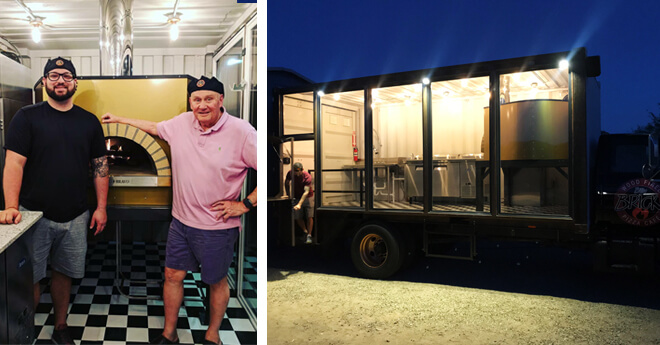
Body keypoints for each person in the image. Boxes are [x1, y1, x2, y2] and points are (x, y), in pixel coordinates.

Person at [101, 76, 256, 345]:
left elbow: (271, 173)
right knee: (172, 276)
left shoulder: (242, 131)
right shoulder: (182, 123)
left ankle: (213, 334)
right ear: (190, 102)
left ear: (221, 100)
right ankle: (169, 333)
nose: (202, 105)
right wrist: (119, 119)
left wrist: (244, 205)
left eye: (209, 98)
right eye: (197, 99)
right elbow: (152, 127)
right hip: (181, 223)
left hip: (216, 226)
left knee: (216, 281)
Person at [0, 57, 108, 345]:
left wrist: (100, 207)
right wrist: (11, 206)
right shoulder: (27, 116)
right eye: (53, 75)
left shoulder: (88, 121)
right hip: (33, 215)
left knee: (64, 273)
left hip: (76, 214)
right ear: (45, 81)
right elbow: (14, 164)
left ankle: (60, 326)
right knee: (29, 277)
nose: (60, 80)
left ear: (75, 82)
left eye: (66, 75)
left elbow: (100, 167)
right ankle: (26, 331)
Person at [285, 162, 314, 244]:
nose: (297, 173)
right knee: (297, 216)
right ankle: (305, 231)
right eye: (295, 171)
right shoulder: (290, 173)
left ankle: (309, 235)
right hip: (297, 196)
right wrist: (288, 194)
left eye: (298, 171)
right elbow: (287, 182)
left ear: (302, 170)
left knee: (309, 216)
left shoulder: (307, 176)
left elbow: (306, 192)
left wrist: (299, 204)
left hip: (308, 197)